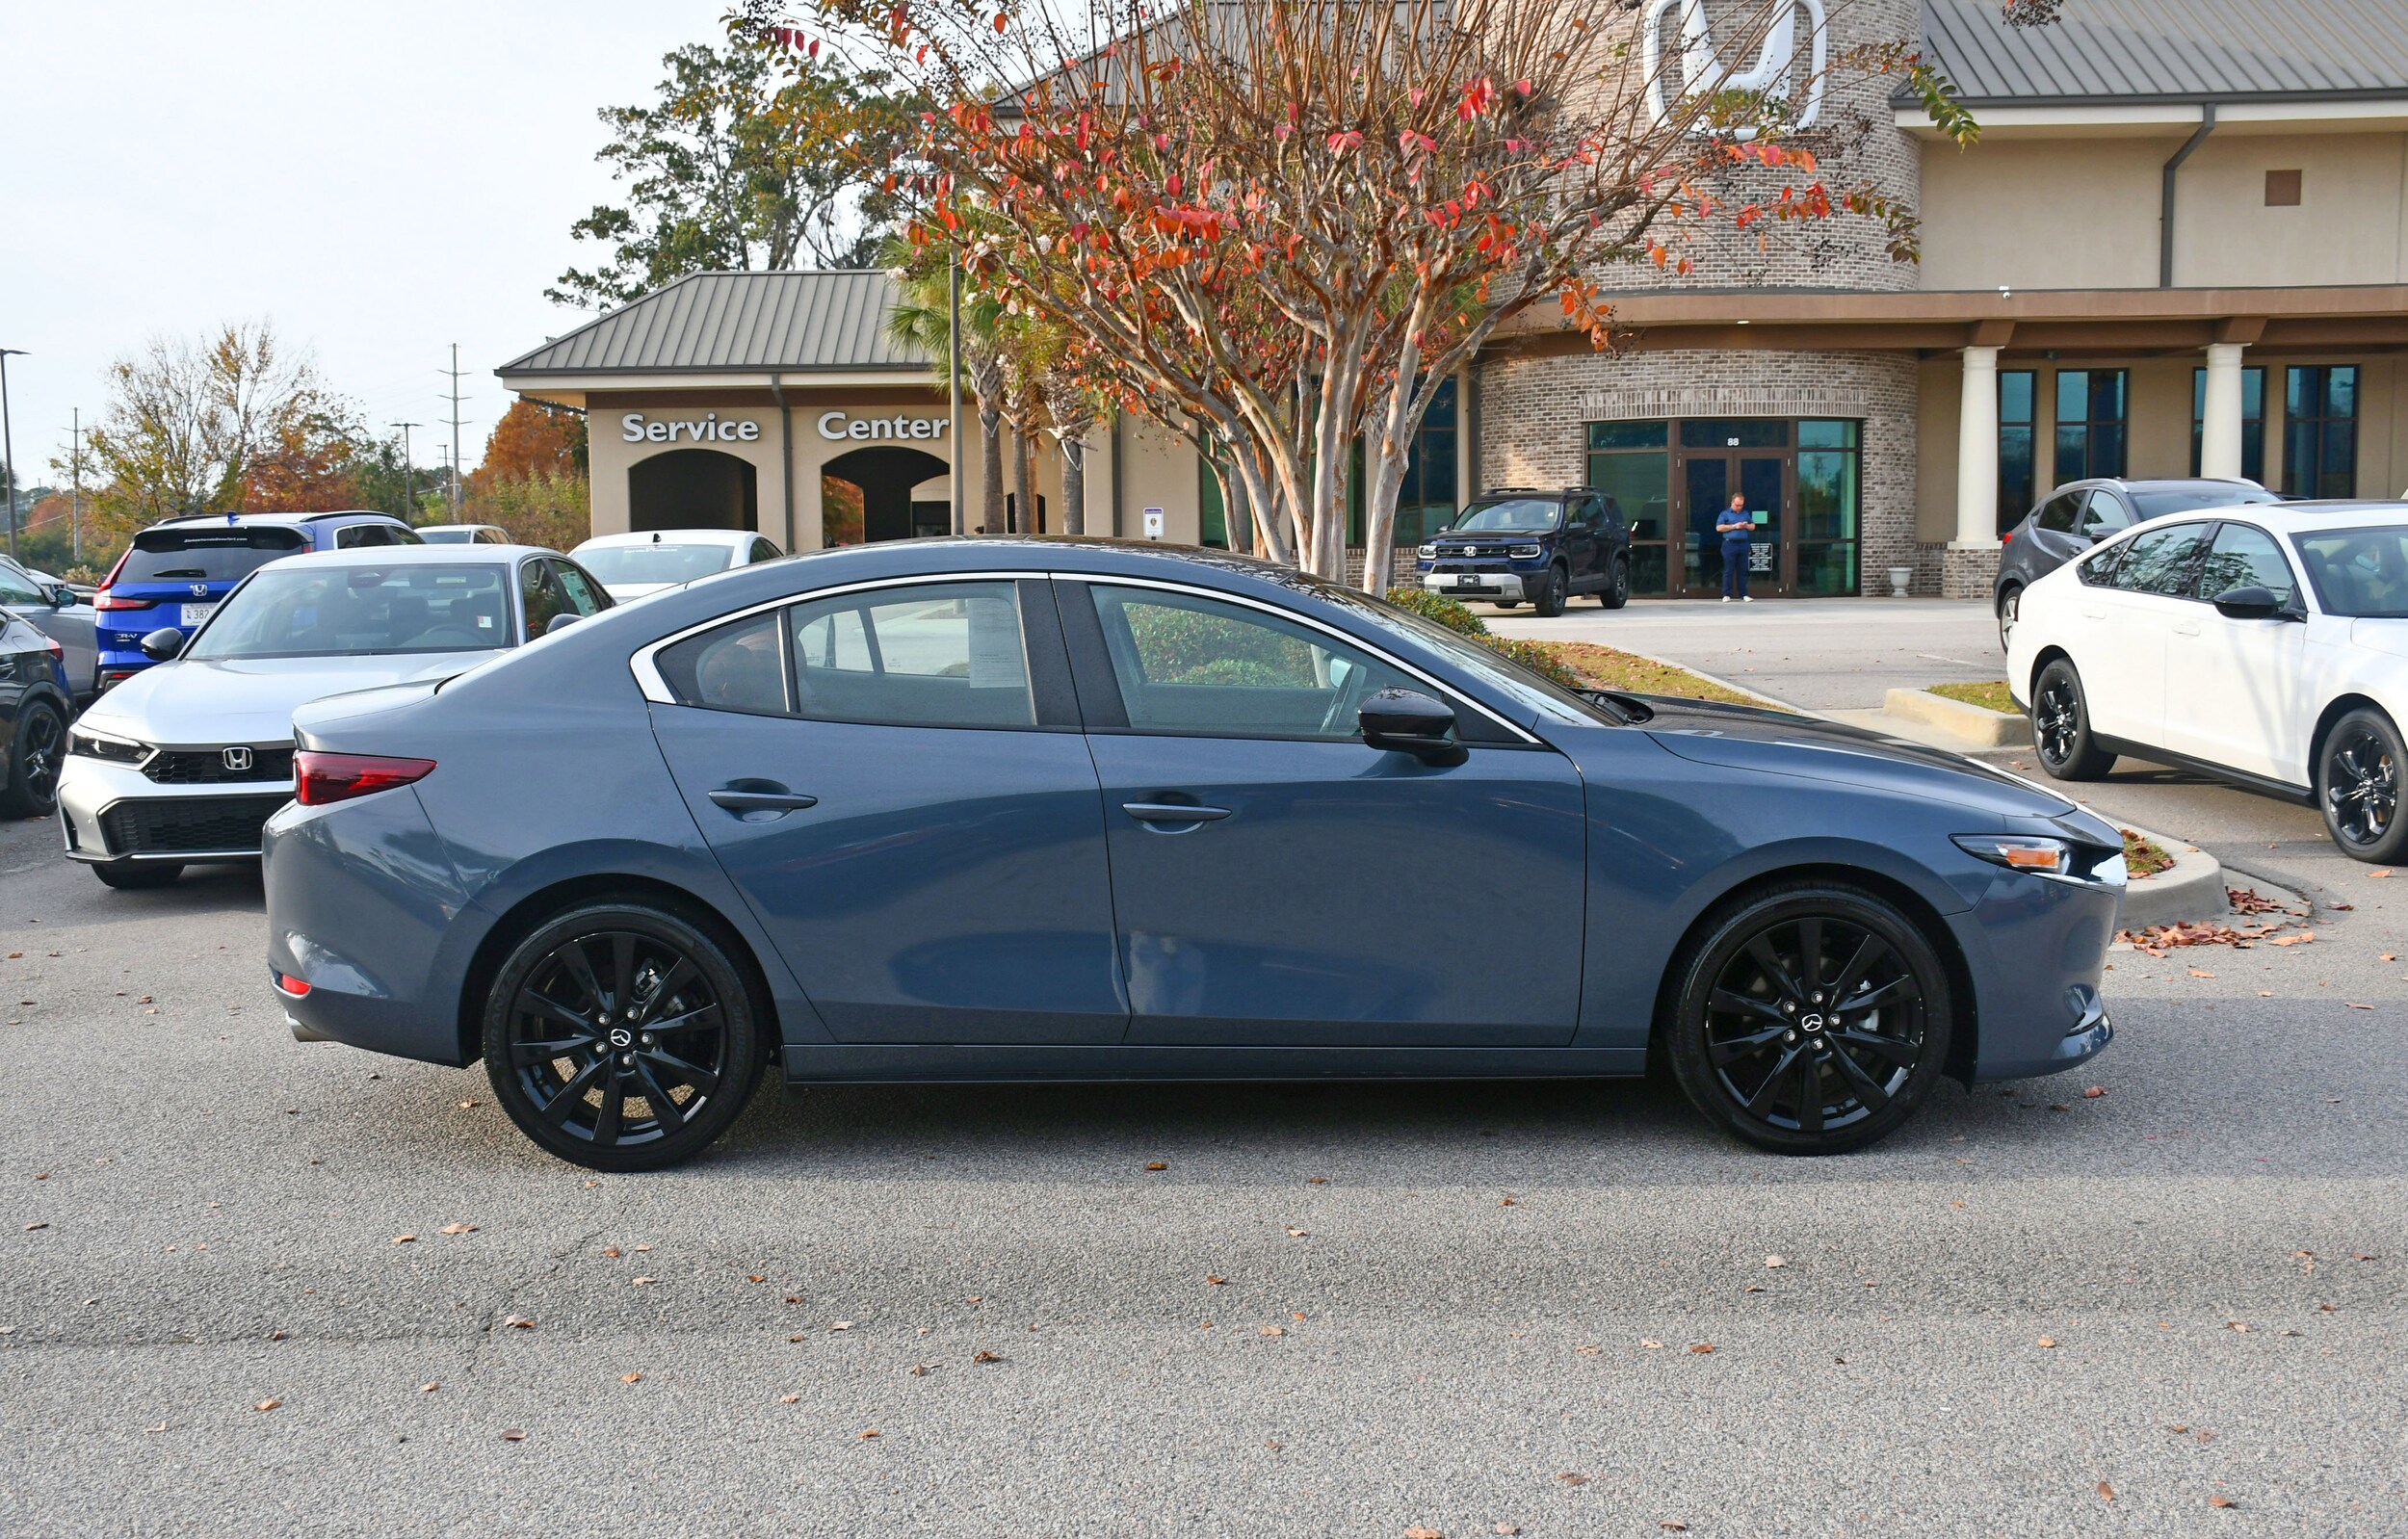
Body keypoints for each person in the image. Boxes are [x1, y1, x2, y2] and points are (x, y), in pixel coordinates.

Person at [1716, 492, 1756, 602]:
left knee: (1742, 570)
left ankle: (1743, 594)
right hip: (1729, 544)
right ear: (1732, 503)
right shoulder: (1725, 514)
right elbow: (1719, 528)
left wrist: (1746, 525)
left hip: (1743, 544)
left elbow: (1753, 526)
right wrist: (1734, 526)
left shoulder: (1745, 513)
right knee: (1728, 569)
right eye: (1737, 505)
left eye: (1741, 505)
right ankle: (1726, 594)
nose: (1739, 507)